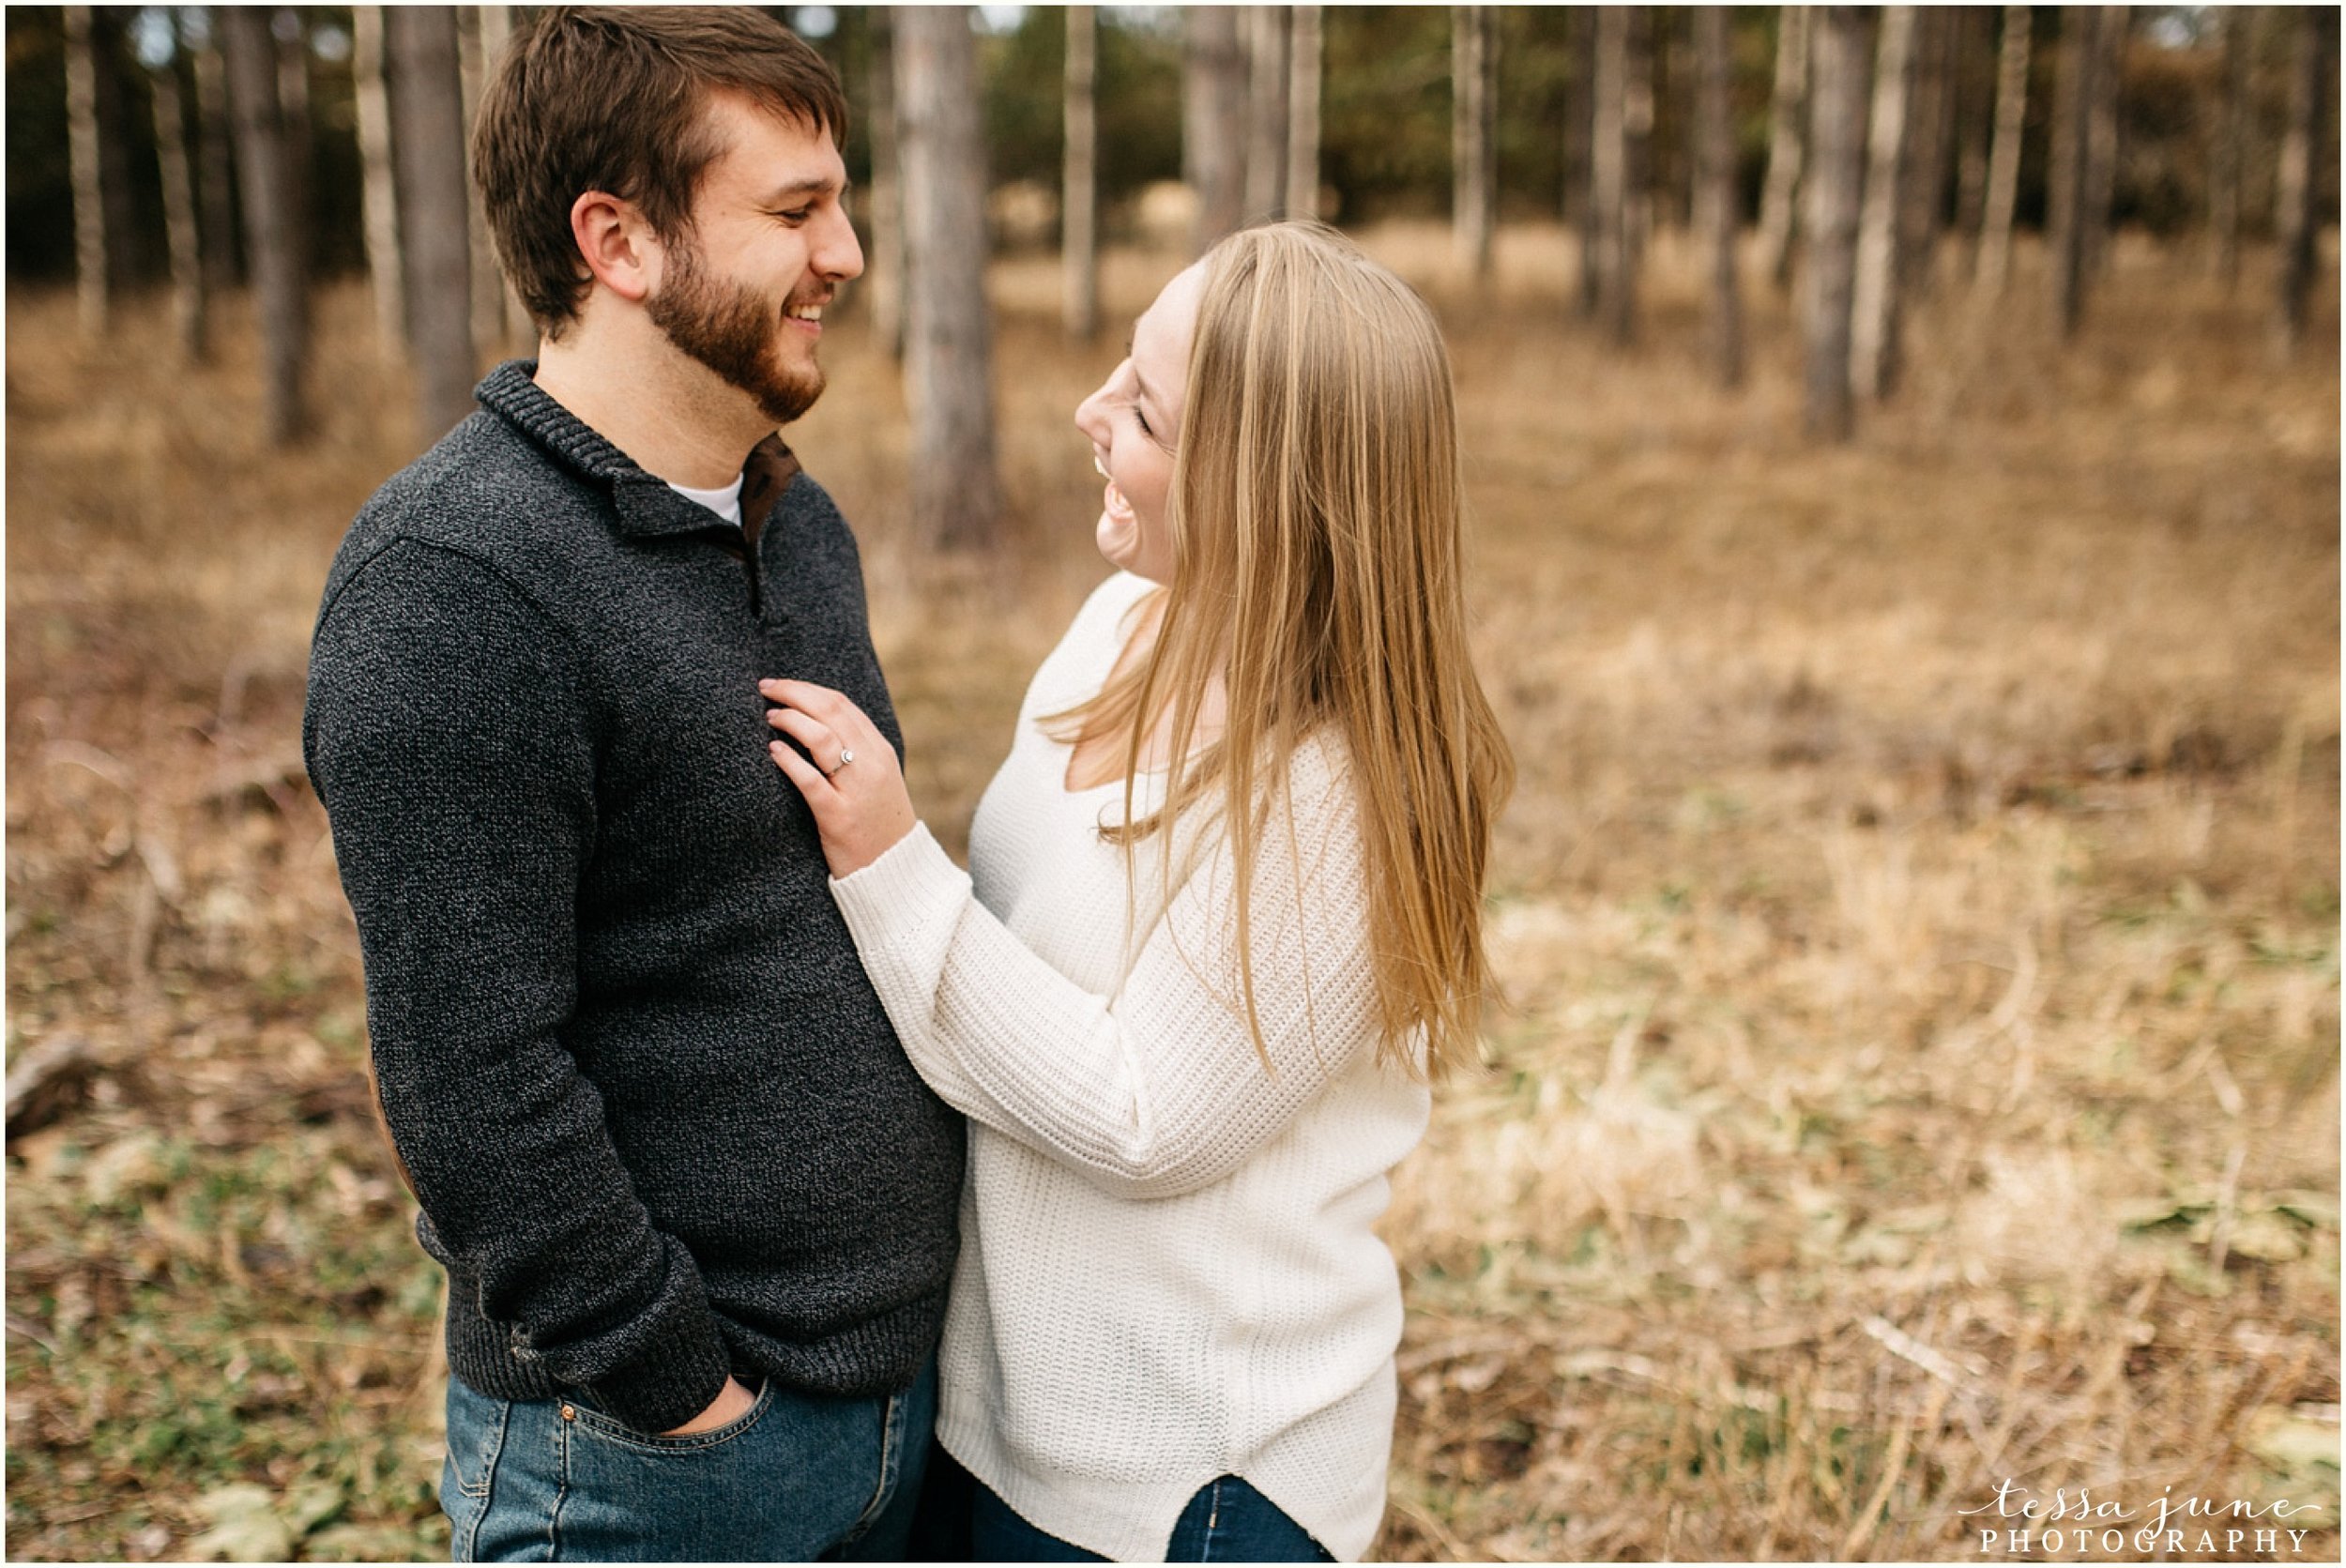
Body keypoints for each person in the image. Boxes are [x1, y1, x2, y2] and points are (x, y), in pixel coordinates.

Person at [301, 9, 963, 1560]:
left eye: (842, 201)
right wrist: (687, 1394)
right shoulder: (454, 584)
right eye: (794, 211)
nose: (849, 253)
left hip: (896, 1415)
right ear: (620, 241)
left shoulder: (797, 523)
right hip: (652, 1469)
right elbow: (471, 1080)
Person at [760, 221, 1515, 1563]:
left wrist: (886, 863)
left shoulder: (1343, 785)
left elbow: (1146, 1115)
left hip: (1186, 1485)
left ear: (1259, 488)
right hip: (998, 1419)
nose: (1088, 412)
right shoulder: (1123, 624)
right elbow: (1012, 965)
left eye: (1145, 410)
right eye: (1122, 368)